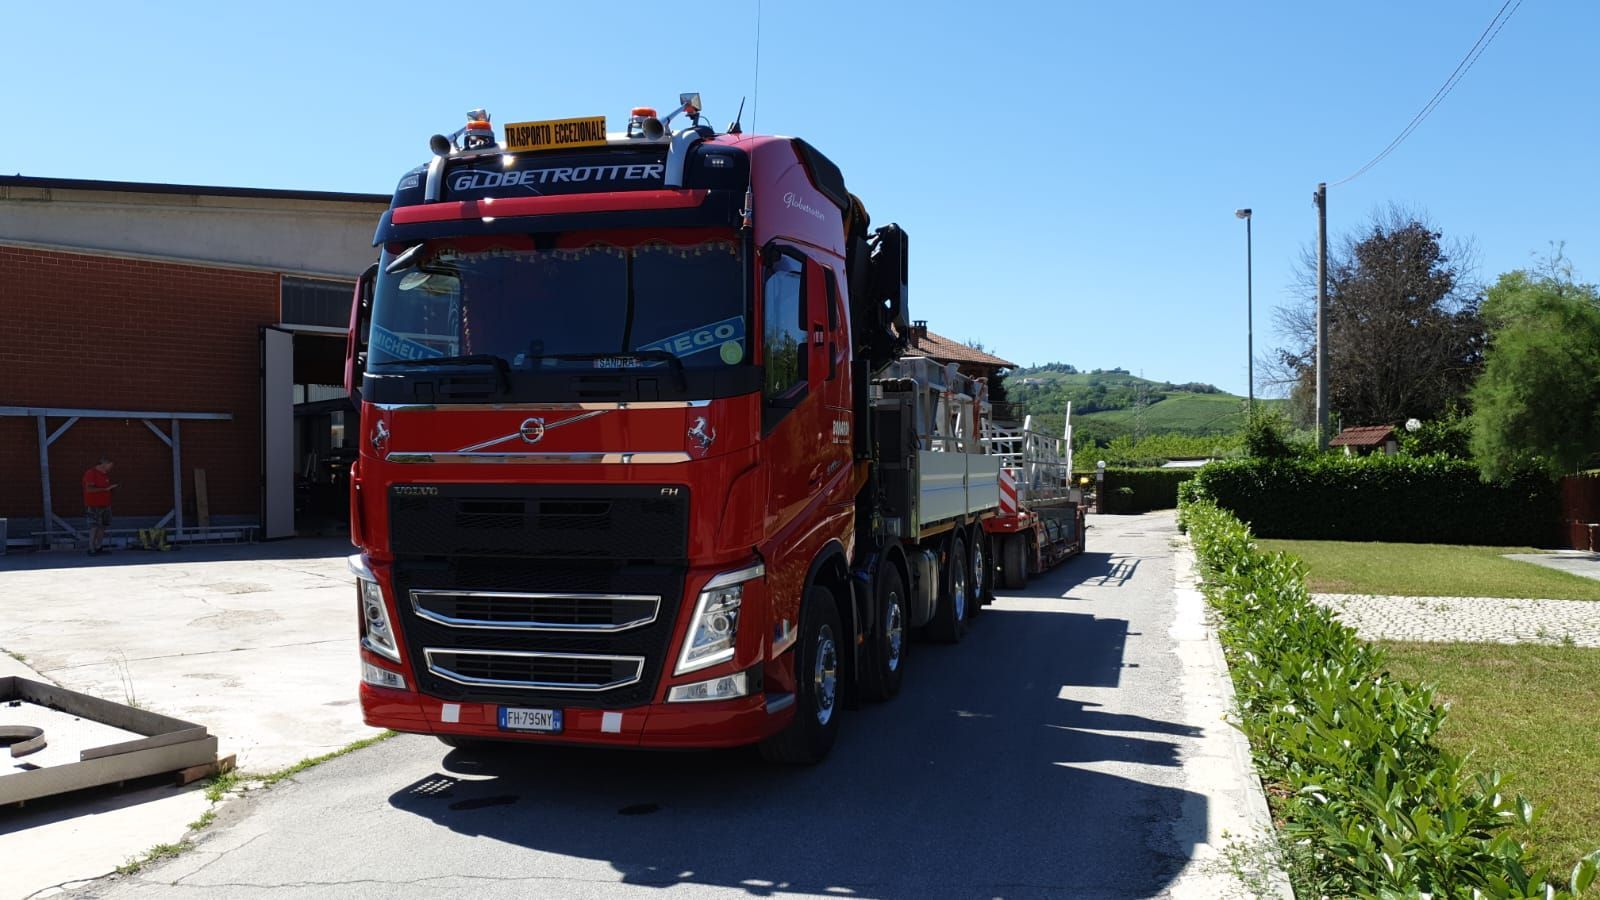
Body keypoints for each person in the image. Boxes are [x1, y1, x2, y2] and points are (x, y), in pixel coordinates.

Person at [83, 456, 118, 555]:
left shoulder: (105, 475)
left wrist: (110, 490)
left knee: (103, 526)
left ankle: (98, 547)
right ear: (104, 464)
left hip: (105, 505)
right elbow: (89, 489)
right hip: (94, 505)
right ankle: (91, 548)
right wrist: (105, 489)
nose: (111, 467)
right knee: (94, 526)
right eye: (110, 465)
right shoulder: (91, 473)